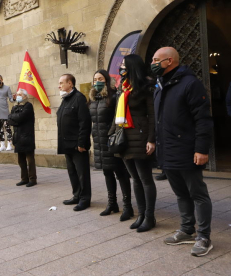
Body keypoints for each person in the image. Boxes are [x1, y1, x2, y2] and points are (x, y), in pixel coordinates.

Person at [152, 47, 214, 257]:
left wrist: (201, 149)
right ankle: (187, 229)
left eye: (155, 59)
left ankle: (203, 236)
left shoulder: (190, 84)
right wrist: (154, 142)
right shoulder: (160, 86)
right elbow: (158, 120)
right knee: (180, 194)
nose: (152, 63)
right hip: (167, 150)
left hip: (187, 150)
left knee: (198, 194)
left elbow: (203, 119)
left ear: (169, 61)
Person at [109, 54, 157, 232]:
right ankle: (141, 215)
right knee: (135, 179)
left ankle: (150, 217)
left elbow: (152, 116)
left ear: (132, 67)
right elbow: (117, 115)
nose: (121, 68)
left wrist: (151, 139)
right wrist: (112, 135)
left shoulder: (146, 88)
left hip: (141, 138)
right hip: (125, 139)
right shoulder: (123, 88)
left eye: (123, 65)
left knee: (145, 179)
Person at [89, 69, 133, 221]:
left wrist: (111, 134)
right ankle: (112, 203)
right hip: (99, 140)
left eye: (100, 78)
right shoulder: (93, 99)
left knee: (120, 173)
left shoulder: (114, 96)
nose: (97, 82)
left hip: (112, 140)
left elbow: (118, 118)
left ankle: (128, 206)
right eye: (95, 79)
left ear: (107, 80)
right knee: (107, 172)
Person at [57, 74, 92, 211]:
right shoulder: (65, 99)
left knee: (82, 173)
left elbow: (85, 122)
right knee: (72, 172)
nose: (59, 85)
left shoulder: (79, 98)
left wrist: (82, 143)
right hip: (66, 144)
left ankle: (85, 199)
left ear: (70, 83)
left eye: (61, 83)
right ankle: (76, 195)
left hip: (77, 145)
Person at [8, 89, 37, 187]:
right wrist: (14, 118)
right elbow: (10, 120)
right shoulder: (15, 107)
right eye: (17, 94)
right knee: (21, 160)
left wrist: (14, 117)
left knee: (30, 159)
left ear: (25, 96)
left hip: (27, 137)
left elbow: (20, 117)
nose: (18, 96)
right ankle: (24, 178)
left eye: (20, 94)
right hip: (18, 137)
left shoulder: (28, 106)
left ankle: (32, 179)